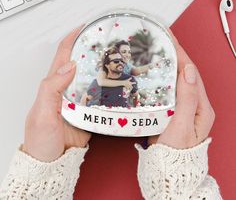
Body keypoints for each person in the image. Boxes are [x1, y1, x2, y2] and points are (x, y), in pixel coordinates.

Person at [0, 27, 222, 199]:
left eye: (126, 54)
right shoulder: (103, 74)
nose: (123, 59)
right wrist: (179, 182)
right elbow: (101, 82)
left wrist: (151, 68)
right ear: (108, 60)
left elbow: (136, 71)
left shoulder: (126, 69)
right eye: (119, 55)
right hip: (101, 106)